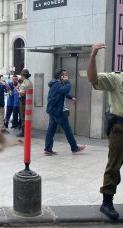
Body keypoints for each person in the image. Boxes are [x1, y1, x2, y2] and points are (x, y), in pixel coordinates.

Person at [87, 43, 123, 220]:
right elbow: (93, 79)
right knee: (114, 166)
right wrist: (93, 56)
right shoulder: (117, 78)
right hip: (120, 129)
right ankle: (106, 203)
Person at [44, 69, 85, 156]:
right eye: (65, 75)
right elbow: (65, 90)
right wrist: (68, 82)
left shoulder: (56, 84)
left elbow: (64, 93)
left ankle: (48, 149)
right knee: (68, 130)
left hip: (53, 111)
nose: (67, 76)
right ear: (61, 76)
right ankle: (74, 148)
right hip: (58, 112)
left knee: (51, 131)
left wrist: (71, 97)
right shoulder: (57, 84)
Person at [16, 69, 32, 137]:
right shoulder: (29, 82)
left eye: (21, 75)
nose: (21, 77)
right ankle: (27, 131)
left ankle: (23, 132)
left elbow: (21, 93)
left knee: (23, 116)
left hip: (23, 101)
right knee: (27, 116)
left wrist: (17, 89)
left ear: (23, 76)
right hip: (28, 101)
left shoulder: (24, 83)